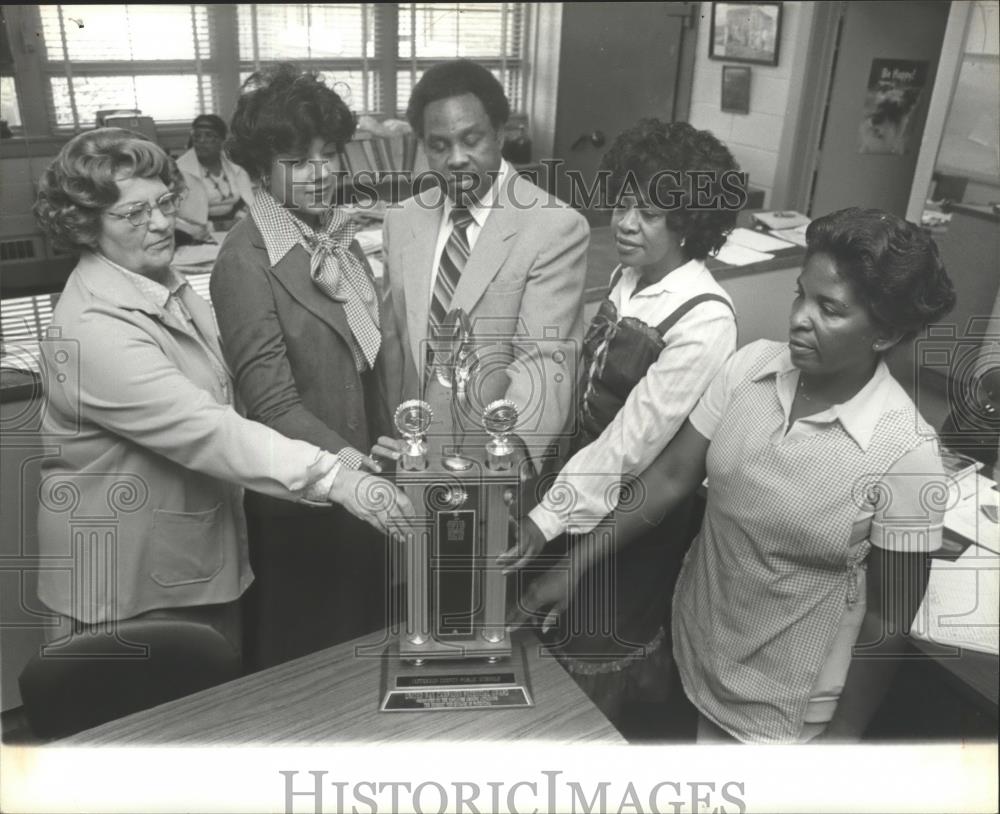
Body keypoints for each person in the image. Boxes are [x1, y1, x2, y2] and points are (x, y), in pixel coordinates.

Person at [511, 207, 957, 743]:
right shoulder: (750, 369)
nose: (799, 317)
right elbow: (672, 475)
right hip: (692, 653)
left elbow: (887, 620)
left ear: (883, 333)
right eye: (801, 294)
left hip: (785, 710)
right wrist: (575, 564)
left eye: (830, 309)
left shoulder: (906, 454)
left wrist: (843, 742)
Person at [32, 128, 410, 646]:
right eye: (133, 214)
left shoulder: (164, 285)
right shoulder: (92, 328)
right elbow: (209, 430)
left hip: (183, 566)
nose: (162, 223)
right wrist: (341, 479)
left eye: (163, 202)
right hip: (122, 582)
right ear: (85, 224)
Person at [499, 120, 740, 725]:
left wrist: (547, 516)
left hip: (630, 510)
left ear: (688, 223)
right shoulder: (628, 277)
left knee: (593, 645)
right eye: (624, 202)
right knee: (540, 627)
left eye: (650, 214)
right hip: (579, 476)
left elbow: (634, 442)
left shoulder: (706, 318)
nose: (626, 222)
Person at [210, 64, 394, 670]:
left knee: (368, 648)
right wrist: (357, 468)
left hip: (363, 485)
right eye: (297, 160)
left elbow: (366, 360)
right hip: (306, 497)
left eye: (329, 155)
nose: (320, 174)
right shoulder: (244, 261)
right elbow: (272, 405)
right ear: (262, 168)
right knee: (312, 665)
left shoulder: (334, 236)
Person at [374, 59, 589, 473]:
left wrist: (510, 461)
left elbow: (544, 361)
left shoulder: (554, 227)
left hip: (492, 466)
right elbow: (395, 342)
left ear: (500, 133)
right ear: (422, 146)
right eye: (438, 145)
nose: (456, 158)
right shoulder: (400, 221)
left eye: (471, 139)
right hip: (411, 459)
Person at [175, 113, 255, 238]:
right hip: (197, 234)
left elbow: (249, 199)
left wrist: (240, 218)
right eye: (197, 136)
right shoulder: (180, 169)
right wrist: (217, 227)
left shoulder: (235, 165)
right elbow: (179, 217)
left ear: (222, 140)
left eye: (209, 136)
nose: (201, 141)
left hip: (237, 227)